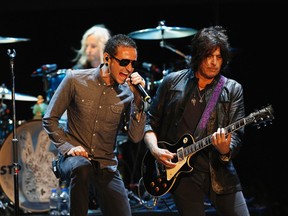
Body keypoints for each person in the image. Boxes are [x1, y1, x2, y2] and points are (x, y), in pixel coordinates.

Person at [143, 26, 250, 216]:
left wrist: (225, 148)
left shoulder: (232, 89)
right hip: (182, 176)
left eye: (219, 57)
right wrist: (155, 150)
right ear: (198, 56)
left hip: (220, 172)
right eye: (209, 56)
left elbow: (237, 139)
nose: (214, 63)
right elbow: (150, 122)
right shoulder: (172, 82)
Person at [42, 34, 147, 216]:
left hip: (105, 165)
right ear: (107, 58)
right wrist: (68, 147)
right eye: (124, 62)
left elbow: (136, 137)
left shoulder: (128, 94)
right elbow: (49, 118)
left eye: (133, 64)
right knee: (82, 166)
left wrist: (138, 101)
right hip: (73, 160)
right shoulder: (75, 79)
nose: (129, 69)